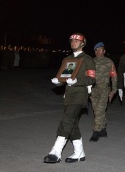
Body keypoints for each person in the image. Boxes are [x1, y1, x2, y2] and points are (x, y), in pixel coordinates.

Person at [44, 33, 96, 164]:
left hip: (80, 94)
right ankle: (79, 153)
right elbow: (64, 77)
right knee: (72, 125)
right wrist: (59, 82)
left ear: (83, 43)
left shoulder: (88, 59)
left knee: (67, 120)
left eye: (76, 41)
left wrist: (76, 80)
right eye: (71, 41)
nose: (73, 43)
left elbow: (92, 79)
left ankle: (56, 152)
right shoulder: (67, 59)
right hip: (68, 95)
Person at [89, 42, 117, 142]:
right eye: (96, 50)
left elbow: (114, 76)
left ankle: (96, 132)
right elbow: (88, 76)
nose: (98, 52)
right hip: (93, 89)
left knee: (100, 110)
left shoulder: (109, 62)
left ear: (104, 51)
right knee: (96, 110)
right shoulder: (91, 61)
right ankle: (103, 129)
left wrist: (114, 90)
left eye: (100, 50)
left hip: (104, 89)